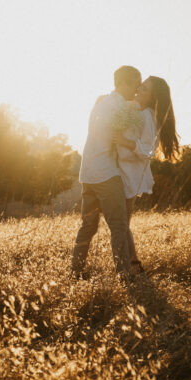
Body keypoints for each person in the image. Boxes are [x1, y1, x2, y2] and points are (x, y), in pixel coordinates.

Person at [71, 65, 142, 278]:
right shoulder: (121, 108)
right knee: (119, 225)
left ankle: (75, 272)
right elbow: (125, 139)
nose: (137, 91)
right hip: (106, 174)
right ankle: (124, 274)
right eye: (136, 85)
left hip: (87, 173)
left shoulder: (101, 103)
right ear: (124, 83)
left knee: (88, 226)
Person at [114, 75, 179, 274]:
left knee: (121, 222)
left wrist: (122, 141)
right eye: (139, 86)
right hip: (124, 171)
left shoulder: (147, 116)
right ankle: (132, 263)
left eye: (144, 89)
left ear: (153, 98)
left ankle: (133, 265)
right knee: (122, 221)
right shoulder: (138, 111)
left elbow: (148, 149)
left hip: (130, 174)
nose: (138, 90)